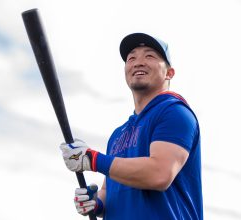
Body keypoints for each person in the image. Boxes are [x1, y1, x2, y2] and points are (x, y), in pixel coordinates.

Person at [59, 33, 203, 220]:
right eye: (131, 58)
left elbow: (159, 174)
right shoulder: (118, 134)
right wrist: (96, 203)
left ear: (169, 73)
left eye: (149, 56)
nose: (138, 62)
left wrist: (93, 159)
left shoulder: (174, 112)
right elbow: (108, 189)